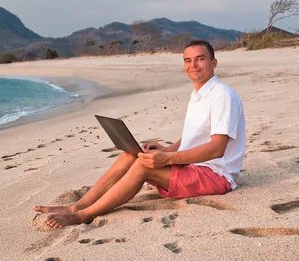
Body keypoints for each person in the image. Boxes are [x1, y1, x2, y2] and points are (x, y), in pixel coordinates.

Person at [34, 40, 246, 228]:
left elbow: (217, 148)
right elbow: (195, 136)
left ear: (214, 63)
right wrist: (165, 150)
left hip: (215, 175)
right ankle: (77, 207)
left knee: (142, 166)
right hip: (193, 167)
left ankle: (84, 215)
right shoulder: (198, 94)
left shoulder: (222, 96)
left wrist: (168, 158)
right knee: (131, 155)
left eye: (200, 59)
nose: (194, 65)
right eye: (188, 60)